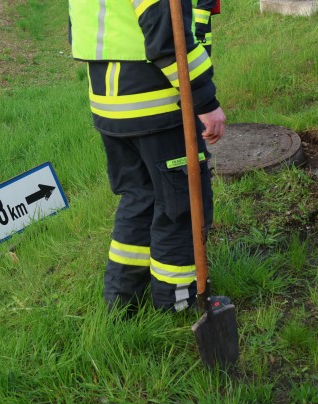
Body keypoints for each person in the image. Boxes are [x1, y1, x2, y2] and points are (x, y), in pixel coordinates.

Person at [68, 0, 229, 312]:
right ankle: (177, 302)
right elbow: (167, 35)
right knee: (179, 206)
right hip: (157, 108)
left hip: (108, 104)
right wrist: (206, 101)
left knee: (139, 197)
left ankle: (122, 298)